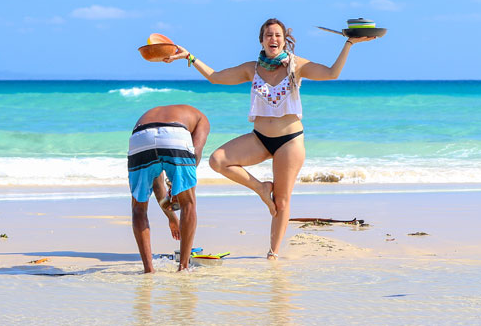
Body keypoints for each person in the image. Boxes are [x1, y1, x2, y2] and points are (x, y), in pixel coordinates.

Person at [165, 18, 374, 259]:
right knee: (218, 160)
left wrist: (348, 43)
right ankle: (261, 188)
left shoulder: (297, 66)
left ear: (285, 40)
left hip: (290, 141)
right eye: (268, 35)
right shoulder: (251, 68)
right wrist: (189, 57)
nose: (273, 39)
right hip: (260, 138)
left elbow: (332, 73)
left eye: (277, 35)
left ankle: (273, 253)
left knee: (282, 201)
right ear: (261, 40)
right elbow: (214, 76)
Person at [127, 104, 210, 273]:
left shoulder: (151, 113)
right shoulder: (202, 119)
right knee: (189, 204)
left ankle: (148, 270)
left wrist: (172, 217)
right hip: (175, 135)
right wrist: (178, 187)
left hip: (141, 137)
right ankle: (184, 267)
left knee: (138, 207)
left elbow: (157, 183)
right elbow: (195, 154)